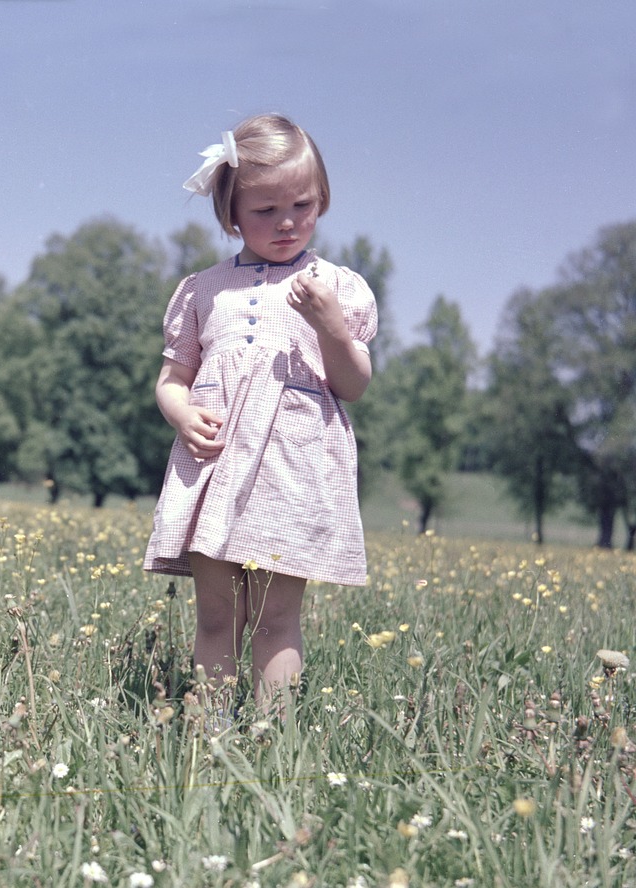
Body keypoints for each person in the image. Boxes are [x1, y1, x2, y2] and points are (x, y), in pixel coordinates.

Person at [143, 114, 378, 723]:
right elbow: (171, 380)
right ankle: (210, 731)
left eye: (302, 204)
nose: (287, 222)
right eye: (265, 210)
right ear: (232, 216)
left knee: (276, 615)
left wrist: (328, 322)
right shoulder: (204, 290)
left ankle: (274, 737)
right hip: (215, 467)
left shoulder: (338, 286)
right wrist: (181, 412)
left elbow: (353, 384)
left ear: (322, 199)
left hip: (291, 473)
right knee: (219, 614)